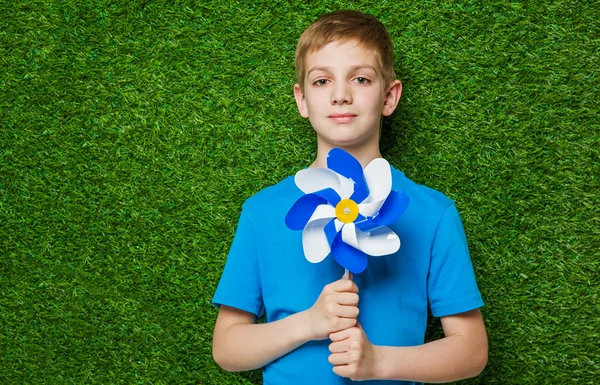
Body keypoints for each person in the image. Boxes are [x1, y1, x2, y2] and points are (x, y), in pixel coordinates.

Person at [211, 10, 488, 384]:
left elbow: (471, 351)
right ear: (302, 100)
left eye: (360, 78)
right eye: (322, 81)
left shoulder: (433, 213)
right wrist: (310, 322)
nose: (341, 95)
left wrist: (379, 363)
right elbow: (227, 348)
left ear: (389, 96)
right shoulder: (262, 212)